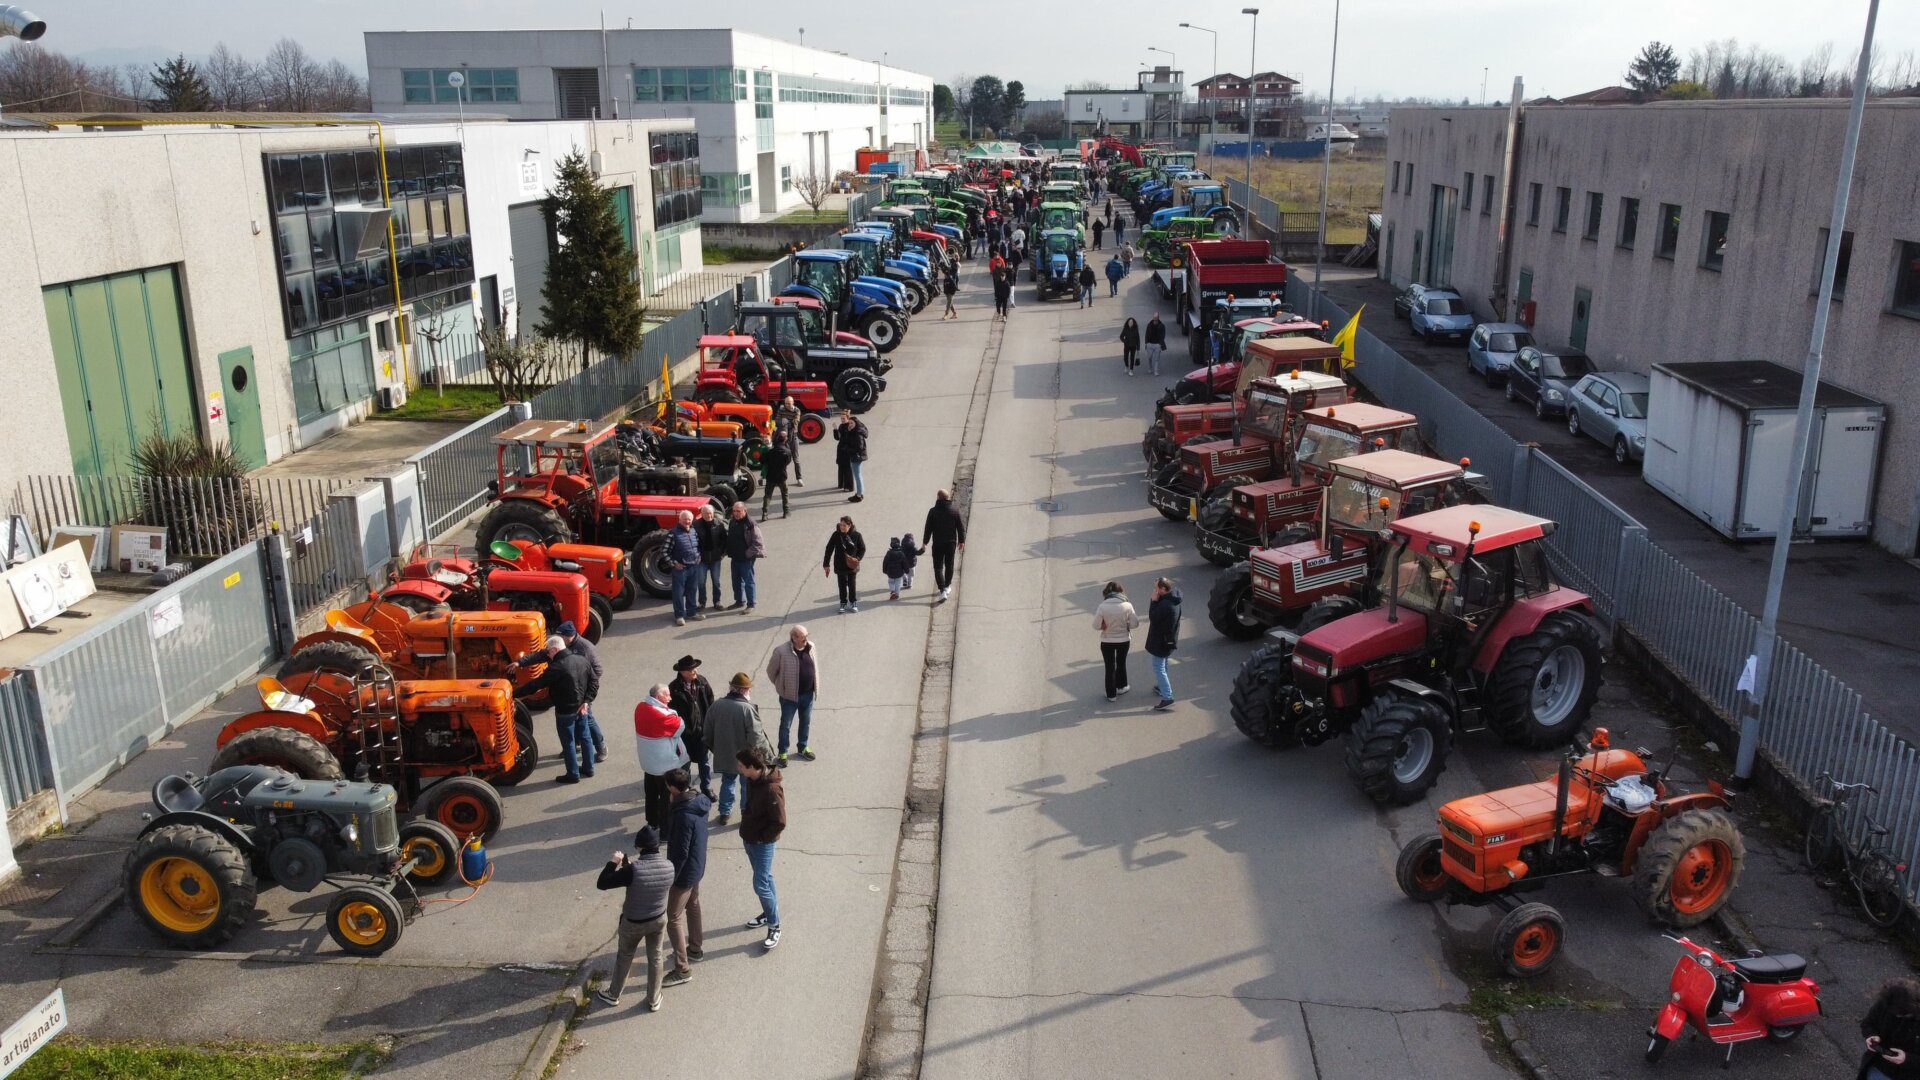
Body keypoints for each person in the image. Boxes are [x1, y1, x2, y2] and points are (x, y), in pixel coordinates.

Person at [593, 825, 675, 1012]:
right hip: (658, 919)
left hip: (633, 923)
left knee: (625, 956)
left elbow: (603, 883)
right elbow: (649, 880)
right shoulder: (669, 866)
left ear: (639, 847)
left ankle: (613, 994)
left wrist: (614, 863)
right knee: (656, 956)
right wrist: (628, 867)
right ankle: (654, 998)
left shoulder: (633, 871)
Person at [517, 634, 596, 783]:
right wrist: (587, 701)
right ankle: (589, 767)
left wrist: (514, 693)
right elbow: (594, 683)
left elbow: (536, 685)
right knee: (585, 737)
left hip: (565, 711)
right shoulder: (582, 660)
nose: (547, 654)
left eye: (548, 651)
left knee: (568, 742)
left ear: (554, 650)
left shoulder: (556, 668)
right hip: (582, 708)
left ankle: (573, 774)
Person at [703, 672, 772, 827]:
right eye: (748, 689)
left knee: (727, 782)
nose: (750, 692)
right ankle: (745, 812)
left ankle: (724, 813)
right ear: (742, 690)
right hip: (746, 757)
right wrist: (767, 756)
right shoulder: (746, 709)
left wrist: (717, 749)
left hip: (725, 755)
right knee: (746, 785)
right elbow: (757, 737)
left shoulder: (717, 705)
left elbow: (707, 732)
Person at [735, 746, 787, 951]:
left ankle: (775, 926)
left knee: (760, 884)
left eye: (741, 766)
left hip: (762, 843)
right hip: (750, 838)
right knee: (766, 878)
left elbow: (780, 822)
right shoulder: (752, 779)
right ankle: (768, 913)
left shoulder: (771, 789)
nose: (738, 768)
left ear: (753, 767)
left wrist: (761, 838)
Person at [661, 768, 709, 985]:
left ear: (672, 788)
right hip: (697, 866)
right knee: (694, 904)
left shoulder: (682, 814)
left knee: (672, 917)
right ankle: (695, 948)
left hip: (684, 873)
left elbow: (680, 853)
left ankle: (682, 969)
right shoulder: (698, 801)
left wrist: (670, 878)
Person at [632, 685, 686, 829]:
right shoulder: (662, 715)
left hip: (648, 762)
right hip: (664, 765)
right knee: (666, 798)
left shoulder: (640, 707)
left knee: (650, 794)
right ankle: (665, 830)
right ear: (658, 697)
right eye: (667, 695)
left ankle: (651, 822)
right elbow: (680, 726)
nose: (670, 698)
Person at [765, 624, 819, 766]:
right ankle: (783, 752)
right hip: (789, 697)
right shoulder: (781, 651)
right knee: (785, 725)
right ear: (794, 637)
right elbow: (771, 671)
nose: (807, 638)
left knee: (805, 722)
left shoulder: (811, 646)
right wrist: (781, 686)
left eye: (807, 635)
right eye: (803, 637)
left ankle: (802, 747)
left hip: (807, 694)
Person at [556, 621, 606, 764]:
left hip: (583, 692)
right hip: (571, 691)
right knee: (575, 719)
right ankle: (576, 745)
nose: (560, 640)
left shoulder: (585, 647)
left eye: (561, 637)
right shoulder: (564, 646)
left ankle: (601, 747)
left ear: (569, 636)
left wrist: (585, 690)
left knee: (588, 720)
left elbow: (597, 671)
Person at [667, 655, 714, 798]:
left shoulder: (702, 682)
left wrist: (710, 723)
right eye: (690, 669)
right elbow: (671, 712)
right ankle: (684, 791)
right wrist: (683, 729)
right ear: (682, 672)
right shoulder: (674, 688)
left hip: (701, 732)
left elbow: (710, 701)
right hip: (684, 735)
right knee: (684, 765)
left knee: (704, 763)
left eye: (695, 668)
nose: (694, 671)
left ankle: (706, 788)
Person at [1862, 978, 1920, 1080]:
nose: (1897, 1016)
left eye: (1902, 1015)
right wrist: (1871, 1035)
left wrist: (1907, 1059)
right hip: (1877, 1066)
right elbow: (1868, 1023)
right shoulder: (1886, 1002)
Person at [1092, 581, 1139, 702]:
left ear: (1106, 593)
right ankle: (1121, 686)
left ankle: (1111, 695)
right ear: (1120, 592)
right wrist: (1126, 624)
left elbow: (1096, 626)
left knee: (1109, 666)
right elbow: (1135, 624)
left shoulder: (1102, 606)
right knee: (1121, 662)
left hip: (1107, 641)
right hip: (1123, 640)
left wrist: (1103, 625)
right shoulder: (1127, 605)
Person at [1144, 578, 1182, 712]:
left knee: (1158, 666)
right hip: (1169, 639)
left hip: (1161, 641)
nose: (1155, 591)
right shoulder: (1174, 599)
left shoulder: (1166, 604)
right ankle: (1161, 687)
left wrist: (1153, 601)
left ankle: (1167, 697)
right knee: (1163, 663)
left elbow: (1153, 617)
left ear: (1163, 589)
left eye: (1156, 588)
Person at [923, 489, 966, 602]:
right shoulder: (954, 510)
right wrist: (961, 541)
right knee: (949, 565)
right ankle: (947, 586)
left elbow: (928, 528)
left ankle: (942, 590)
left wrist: (925, 542)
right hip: (950, 543)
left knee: (938, 567)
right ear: (948, 497)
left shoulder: (932, 511)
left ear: (938, 497)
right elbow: (960, 527)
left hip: (937, 543)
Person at [725, 502, 765, 613]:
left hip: (746, 559)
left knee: (748, 582)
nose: (736, 513)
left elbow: (758, 544)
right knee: (736, 581)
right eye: (734, 511)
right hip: (735, 558)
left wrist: (747, 554)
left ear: (744, 511)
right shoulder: (733, 521)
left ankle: (751, 604)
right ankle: (739, 601)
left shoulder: (751, 524)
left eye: (738, 511)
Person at [823, 516, 867, 613]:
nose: (841, 527)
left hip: (852, 564)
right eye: (840, 525)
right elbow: (829, 549)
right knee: (842, 584)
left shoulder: (857, 535)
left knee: (852, 584)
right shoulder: (836, 535)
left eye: (844, 525)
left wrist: (858, 558)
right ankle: (843, 602)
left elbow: (862, 548)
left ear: (849, 525)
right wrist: (826, 564)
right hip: (840, 564)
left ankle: (853, 602)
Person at [692, 503, 727, 618]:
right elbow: (693, 543)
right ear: (701, 514)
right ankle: (702, 603)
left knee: (716, 582)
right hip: (702, 560)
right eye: (706, 513)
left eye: (710, 513)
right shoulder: (695, 525)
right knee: (701, 583)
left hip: (716, 559)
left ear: (713, 513)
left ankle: (717, 602)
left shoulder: (719, 524)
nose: (708, 515)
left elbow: (724, 541)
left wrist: (722, 553)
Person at [666, 510, 700, 627]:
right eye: (685, 519)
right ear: (679, 520)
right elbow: (664, 551)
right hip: (680, 569)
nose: (687, 521)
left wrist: (698, 557)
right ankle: (679, 616)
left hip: (693, 566)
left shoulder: (693, 531)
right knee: (678, 593)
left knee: (692, 590)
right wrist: (674, 563)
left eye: (689, 519)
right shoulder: (672, 533)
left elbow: (697, 546)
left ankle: (692, 612)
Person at [835, 411, 868, 502]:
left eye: (852, 423)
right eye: (849, 423)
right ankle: (860, 493)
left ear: (856, 423)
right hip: (856, 456)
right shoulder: (854, 431)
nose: (849, 424)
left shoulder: (857, 433)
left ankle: (859, 495)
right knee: (858, 475)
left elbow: (859, 447)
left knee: (857, 476)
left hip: (856, 457)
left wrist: (847, 450)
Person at [761, 434, 793, 519]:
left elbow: (763, 460)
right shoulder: (787, 451)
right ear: (785, 440)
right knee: (785, 494)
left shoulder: (770, 451)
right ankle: (786, 512)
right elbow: (788, 462)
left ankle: (765, 513)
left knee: (767, 495)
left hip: (770, 476)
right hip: (782, 476)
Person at [883, 537, 908, 601]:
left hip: (890, 572)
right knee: (898, 583)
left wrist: (884, 570)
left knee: (891, 582)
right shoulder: (901, 553)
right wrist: (906, 570)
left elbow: (885, 562)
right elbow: (904, 563)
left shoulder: (888, 553)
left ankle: (892, 591)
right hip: (899, 573)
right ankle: (897, 594)